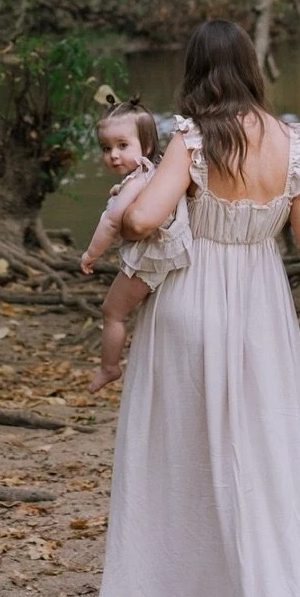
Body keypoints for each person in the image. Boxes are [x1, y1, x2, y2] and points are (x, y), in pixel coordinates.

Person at [79, 19, 300, 597]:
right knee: (265, 460)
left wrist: (141, 204)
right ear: (250, 68)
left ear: (196, 72)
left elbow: (138, 220)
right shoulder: (294, 142)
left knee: (179, 465)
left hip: (189, 308)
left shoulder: (191, 137)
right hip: (261, 316)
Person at [79, 98, 191, 392]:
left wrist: (91, 254)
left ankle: (109, 367)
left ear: (147, 146)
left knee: (112, 311)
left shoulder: (136, 181)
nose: (113, 155)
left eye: (122, 145)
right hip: (170, 248)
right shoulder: (153, 172)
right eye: (106, 148)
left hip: (153, 256)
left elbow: (112, 222)